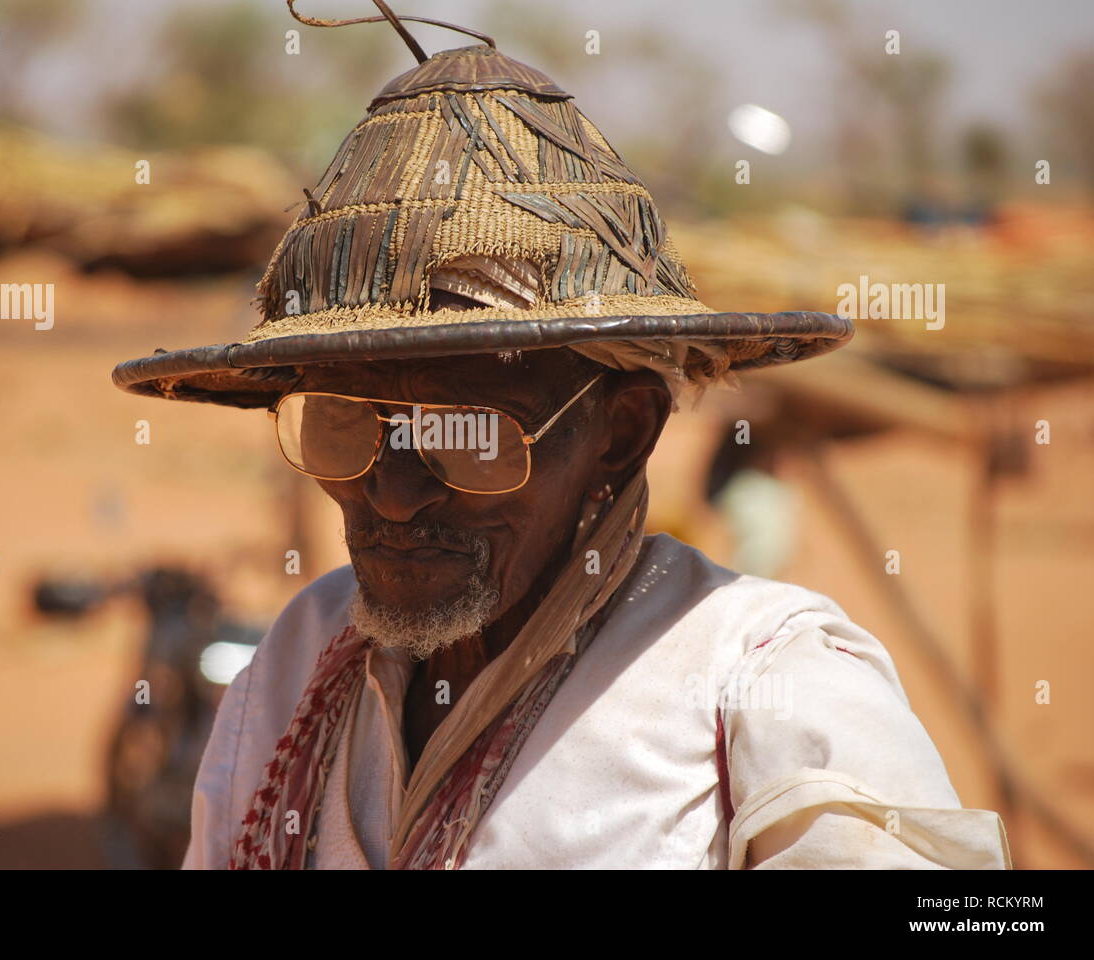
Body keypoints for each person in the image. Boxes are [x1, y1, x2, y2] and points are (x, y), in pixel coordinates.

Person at [111, 10, 1009, 870]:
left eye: (464, 433)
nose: (389, 492)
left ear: (621, 435)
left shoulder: (765, 687)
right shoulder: (296, 661)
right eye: (345, 424)